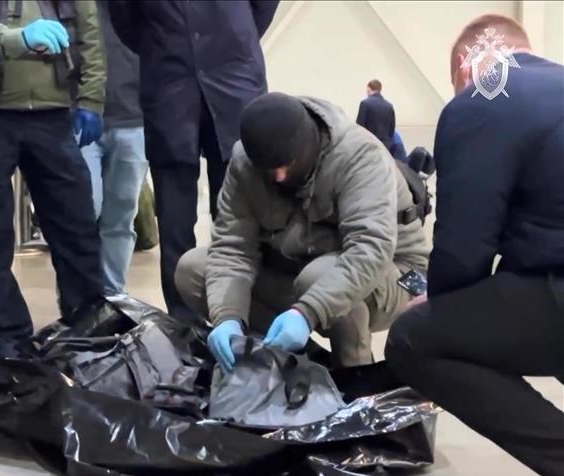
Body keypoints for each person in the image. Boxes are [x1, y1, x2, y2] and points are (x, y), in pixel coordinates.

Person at [385, 14, 564, 476]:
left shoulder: (483, 96)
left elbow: (464, 247)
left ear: (465, 67)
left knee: (412, 339)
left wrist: (441, 302)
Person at [174, 92, 429, 369]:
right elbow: (232, 247)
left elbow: (370, 251)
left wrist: (306, 313)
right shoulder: (245, 163)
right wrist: (227, 316)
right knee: (193, 269)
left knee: (319, 277)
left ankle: (354, 373)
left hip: (395, 274)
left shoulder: (359, 156)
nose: (280, 177)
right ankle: (295, 362)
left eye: (287, 165)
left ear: (308, 147)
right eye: (270, 170)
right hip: (300, 267)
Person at [107, 1, 279, 323]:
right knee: (174, 221)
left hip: (234, 81)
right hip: (169, 84)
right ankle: (184, 325)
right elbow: (125, 18)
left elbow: (263, 6)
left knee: (240, 216)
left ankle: (244, 316)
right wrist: (166, 43)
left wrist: (234, 35)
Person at [0, 0, 105, 359]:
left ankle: (87, 327)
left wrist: (92, 99)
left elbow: (91, 34)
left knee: (76, 227)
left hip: (53, 113)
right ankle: (7, 339)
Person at [79, 0, 147, 297]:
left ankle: (112, 296)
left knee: (121, 215)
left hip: (134, 116)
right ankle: (80, 298)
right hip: (79, 114)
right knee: (82, 209)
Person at [356, 79, 396, 153]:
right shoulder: (389, 106)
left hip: (369, 145)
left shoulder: (365, 104)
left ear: (368, 88)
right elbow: (392, 128)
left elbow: (360, 126)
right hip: (385, 146)